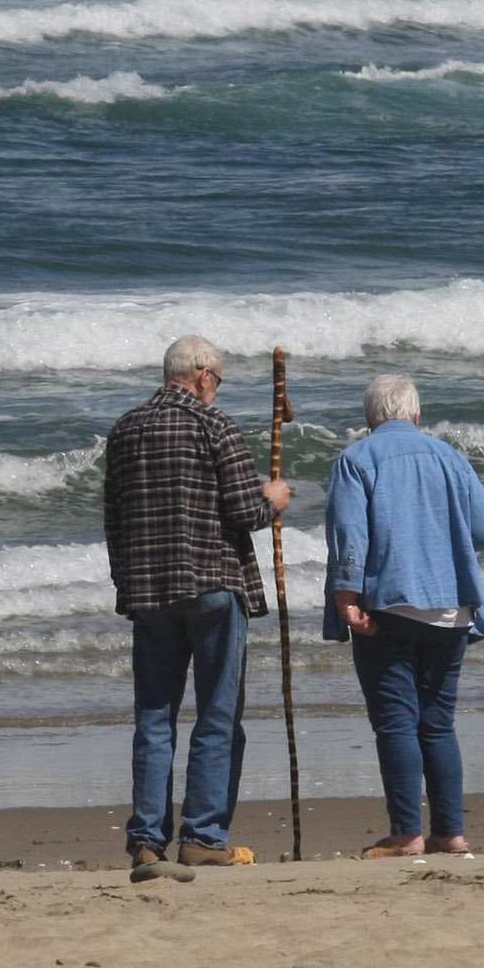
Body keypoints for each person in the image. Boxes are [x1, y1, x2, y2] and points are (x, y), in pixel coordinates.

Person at [103, 335, 291, 867]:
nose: (216, 388)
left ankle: (146, 838)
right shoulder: (215, 424)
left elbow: (113, 521)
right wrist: (271, 499)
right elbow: (242, 511)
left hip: (148, 591)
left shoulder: (125, 429)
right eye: (218, 379)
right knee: (217, 714)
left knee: (155, 716)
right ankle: (203, 836)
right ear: (204, 374)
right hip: (211, 586)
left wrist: (127, 587)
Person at [320, 373, 484, 858]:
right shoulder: (450, 457)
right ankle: (451, 832)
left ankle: (407, 834)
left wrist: (346, 600)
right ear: (417, 416)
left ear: (369, 419)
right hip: (450, 606)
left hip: (389, 605)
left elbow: (349, 537)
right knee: (437, 724)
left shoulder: (356, 459)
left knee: (396, 722)